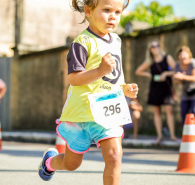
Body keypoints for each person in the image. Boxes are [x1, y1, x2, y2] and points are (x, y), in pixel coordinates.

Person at [38, 0, 138, 184]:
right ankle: (50, 162)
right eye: (106, 10)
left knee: (115, 156)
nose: (112, 16)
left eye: (117, 12)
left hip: (108, 112)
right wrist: (100, 70)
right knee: (71, 164)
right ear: (88, 11)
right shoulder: (82, 42)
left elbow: (114, 76)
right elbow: (74, 79)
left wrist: (125, 88)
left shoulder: (116, 40)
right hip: (81, 115)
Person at [135, 39, 177, 144]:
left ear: (160, 46)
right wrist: (149, 74)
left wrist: (166, 73)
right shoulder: (150, 61)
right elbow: (138, 71)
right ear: (150, 49)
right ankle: (159, 136)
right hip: (155, 87)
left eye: (157, 45)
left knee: (169, 110)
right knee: (157, 112)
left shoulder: (167, 57)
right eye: (153, 46)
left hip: (166, 87)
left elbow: (176, 70)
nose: (155, 48)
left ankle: (172, 135)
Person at [173, 46, 195, 134]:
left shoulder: (193, 63)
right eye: (181, 56)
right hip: (185, 92)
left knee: (194, 113)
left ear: (189, 56)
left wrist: (183, 77)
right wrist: (178, 78)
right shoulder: (177, 65)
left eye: (185, 56)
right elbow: (176, 81)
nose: (183, 58)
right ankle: (186, 134)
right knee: (183, 113)